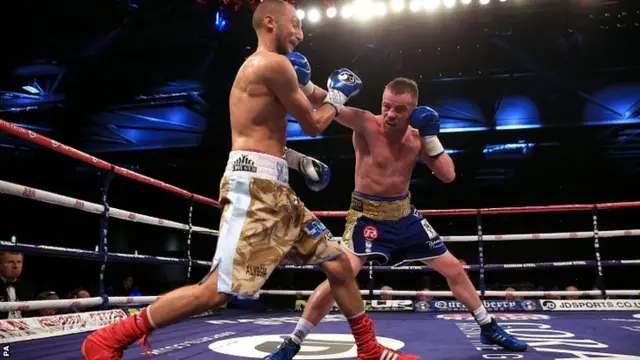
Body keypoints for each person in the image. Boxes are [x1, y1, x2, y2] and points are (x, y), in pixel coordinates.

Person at [81, 2, 419, 360]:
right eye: (295, 24)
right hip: (255, 190)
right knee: (217, 291)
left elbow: (261, 135)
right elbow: (314, 123)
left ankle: (368, 349)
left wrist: (298, 160)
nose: (301, 34)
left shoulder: (263, 69)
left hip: (276, 188)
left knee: (338, 265)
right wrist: (336, 95)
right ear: (270, 21)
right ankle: (111, 337)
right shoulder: (271, 64)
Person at [265, 56, 528, 359]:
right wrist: (305, 83)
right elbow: (323, 100)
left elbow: (448, 175)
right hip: (367, 217)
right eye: (387, 105)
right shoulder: (365, 122)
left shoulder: (418, 138)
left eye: (399, 109)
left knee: (454, 268)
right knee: (341, 275)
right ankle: (293, 342)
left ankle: (488, 326)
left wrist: (431, 137)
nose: (390, 113)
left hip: (404, 215)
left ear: (414, 111)